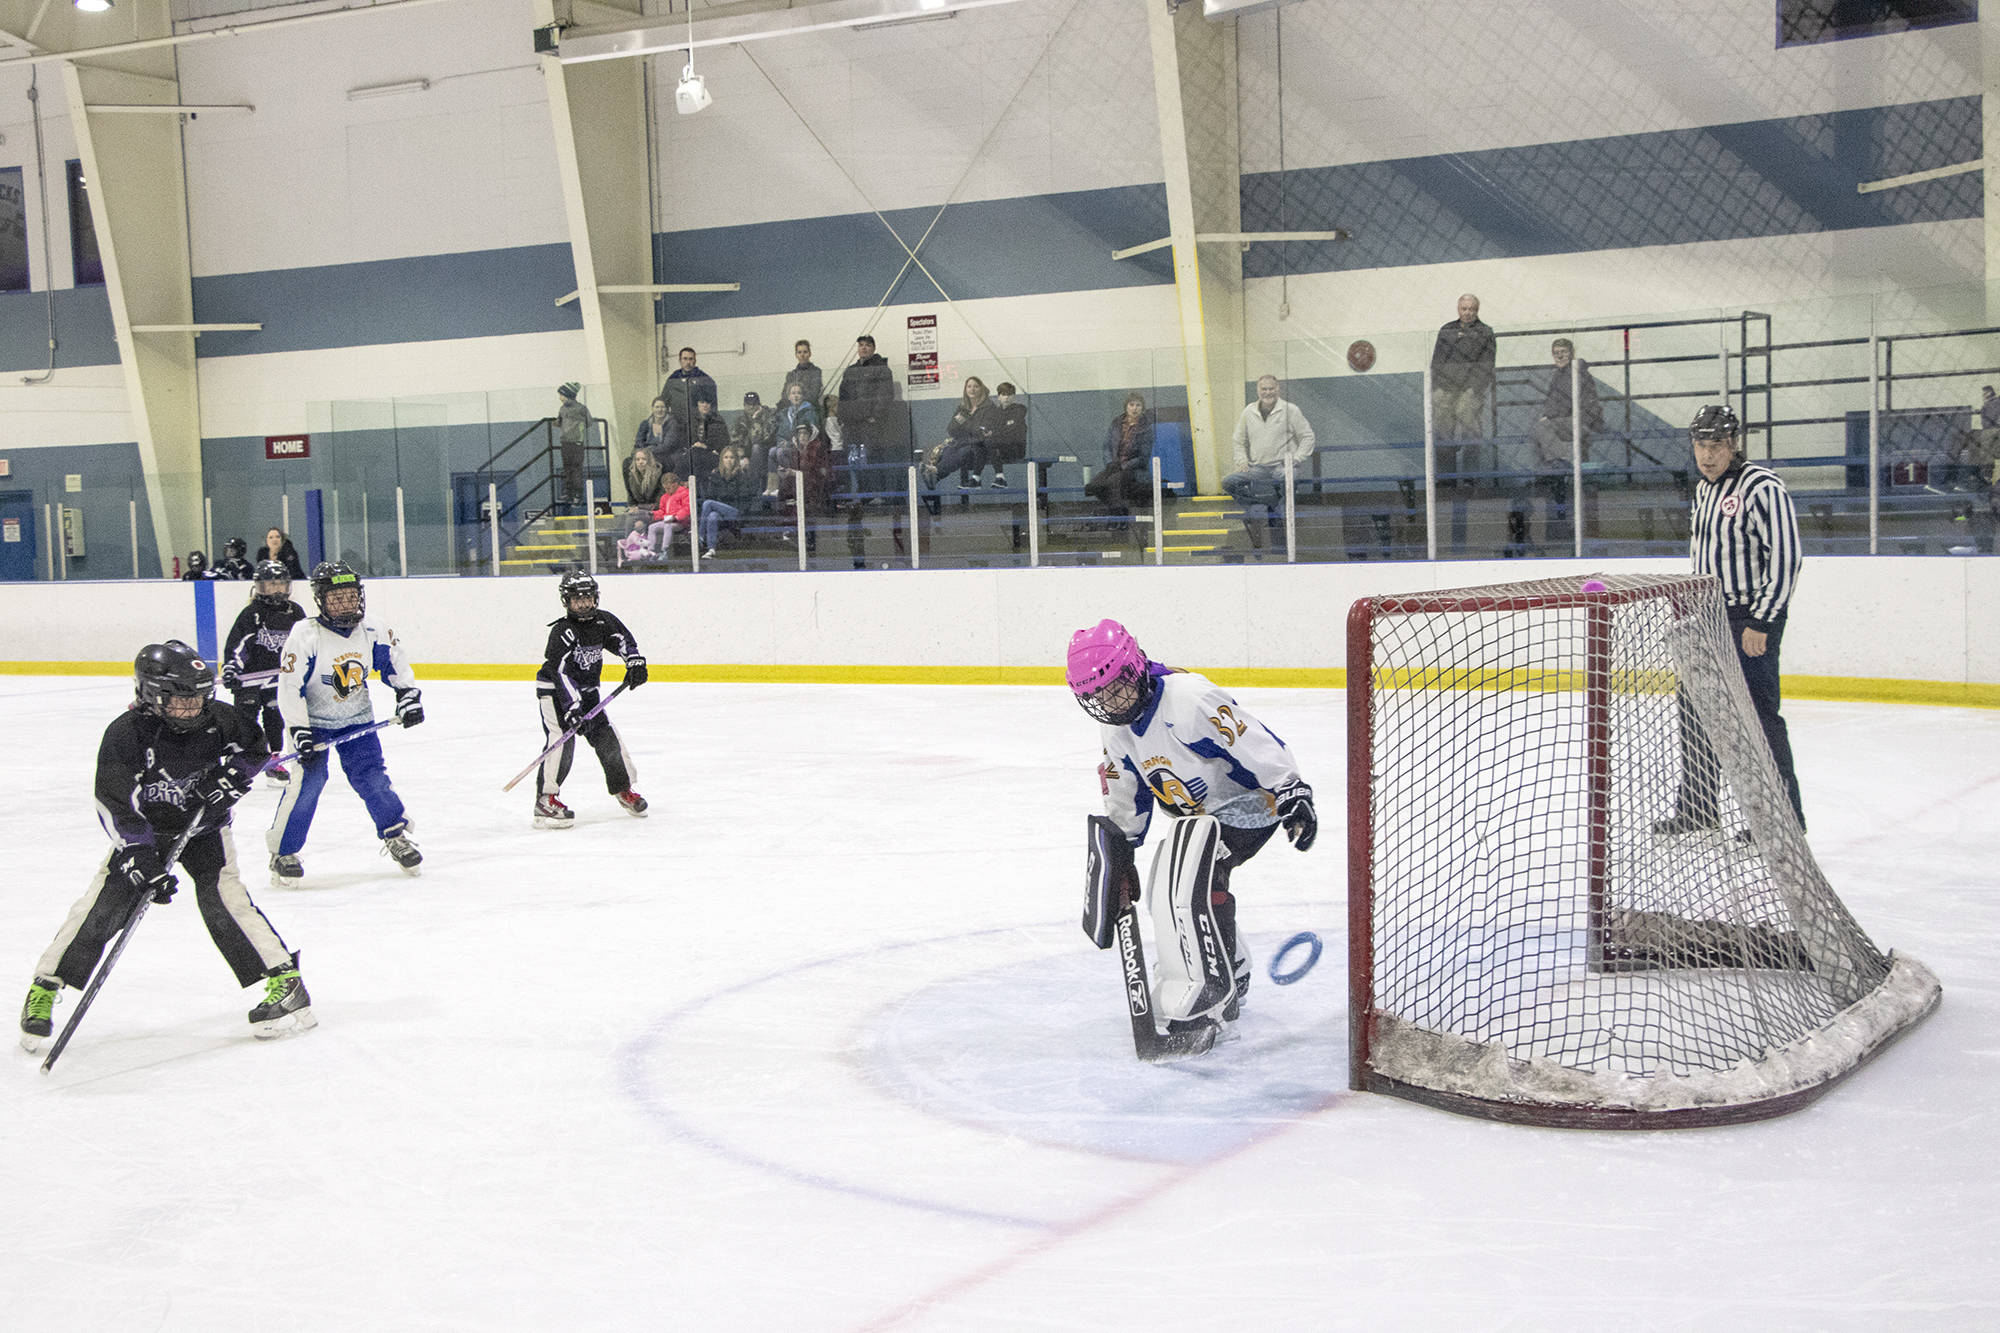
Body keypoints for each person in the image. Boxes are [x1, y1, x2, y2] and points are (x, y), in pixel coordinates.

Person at [18, 641, 314, 1053]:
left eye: (197, 697)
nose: (190, 707)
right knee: (104, 904)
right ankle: (46, 985)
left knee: (223, 899)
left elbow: (255, 749)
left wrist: (233, 780)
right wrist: (139, 856)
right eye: (179, 699)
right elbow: (114, 802)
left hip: (204, 829)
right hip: (147, 834)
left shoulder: (221, 718)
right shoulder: (126, 734)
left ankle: (285, 982)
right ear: (149, 694)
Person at [1067, 619, 1316, 1052]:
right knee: (1169, 878)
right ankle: (1229, 963)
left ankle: (1211, 989)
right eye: (1096, 696)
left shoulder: (1189, 700)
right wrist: (1121, 849)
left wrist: (1291, 790)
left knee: (1191, 878)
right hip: (1198, 820)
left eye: (1114, 687)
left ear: (1135, 667)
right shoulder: (1117, 727)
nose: (1109, 702)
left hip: (1250, 806)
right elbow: (1126, 789)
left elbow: (1254, 741)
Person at [1655, 405, 1806, 834]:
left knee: (1759, 718)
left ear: (1734, 444)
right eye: (1700, 444)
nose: (1707, 454)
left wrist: (1761, 620)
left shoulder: (1761, 486)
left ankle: (1783, 820)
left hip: (1748, 618)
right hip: (1706, 618)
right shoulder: (1704, 490)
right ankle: (1699, 809)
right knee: (1694, 711)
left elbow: (1786, 557)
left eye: (1716, 444)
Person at [267, 562, 425, 885]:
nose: (346, 604)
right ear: (321, 600)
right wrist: (299, 731)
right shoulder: (305, 635)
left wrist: (407, 697)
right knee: (308, 782)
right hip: (313, 724)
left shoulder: (373, 629)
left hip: (356, 719)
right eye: (336, 598)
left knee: (372, 778)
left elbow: (394, 665)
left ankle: (394, 833)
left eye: (351, 596)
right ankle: (283, 852)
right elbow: (289, 688)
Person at [532, 572, 649, 829]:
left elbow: (622, 640)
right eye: (577, 600)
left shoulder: (603, 621)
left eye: (587, 599)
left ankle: (623, 788)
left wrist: (634, 661)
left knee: (607, 737)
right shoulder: (563, 632)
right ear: (567, 601)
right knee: (562, 741)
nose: (583, 604)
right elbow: (560, 673)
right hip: (555, 693)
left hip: (587, 692)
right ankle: (546, 800)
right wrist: (572, 708)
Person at [222, 560, 308, 786]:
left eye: (280, 584)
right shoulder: (252, 614)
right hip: (249, 680)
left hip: (278, 681)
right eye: (271, 585)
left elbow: (305, 644)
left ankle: (273, 760)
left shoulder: (295, 612)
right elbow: (238, 644)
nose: (277, 589)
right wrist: (232, 667)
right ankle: (238, 760)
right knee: (244, 720)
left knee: (275, 718)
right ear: (260, 587)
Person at [1520, 338, 1605, 552]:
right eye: (1556, 352)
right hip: (1567, 422)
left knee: (1541, 429)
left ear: (1572, 352)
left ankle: (1562, 460)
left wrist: (1548, 417)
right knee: (1540, 432)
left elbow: (1567, 402)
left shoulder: (1574, 373)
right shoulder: (1559, 374)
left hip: (1581, 421)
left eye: (1563, 352)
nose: (1559, 356)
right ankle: (1559, 461)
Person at [1224, 375, 1317, 552]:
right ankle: (1262, 505)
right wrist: (1242, 460)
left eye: (1271, 388)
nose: (1267, 392)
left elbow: (1307, 436)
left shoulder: (1290, 410)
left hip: (1282, 467)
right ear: (1258, 391)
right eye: (1264, 389)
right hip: (1258, 468)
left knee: (1289, 478)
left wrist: (1296, 459)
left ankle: (1278, 512)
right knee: (1229, 482)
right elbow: (1238, 439)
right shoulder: (1248, 412)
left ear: (1278, 389)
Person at [1429, 293, 1496, 484]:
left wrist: (1475, 388)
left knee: (1471, 429)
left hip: (1470, 388)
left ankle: (1470, 477)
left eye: (1471, 309)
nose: (1467, 313)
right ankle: (1446, 478)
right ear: (1458, 309)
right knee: (1442, 431)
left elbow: (1487, 364)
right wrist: (1438, 387)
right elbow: (1437, 361)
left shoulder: (1485, 332)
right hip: (1446, 387)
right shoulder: (1447, 330)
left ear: (1477, 310)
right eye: (1464, 309)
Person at [922, 376, 1000, 489]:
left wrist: (965, 427)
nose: (972, 389)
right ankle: (936, 475)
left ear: (981, 389)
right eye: (969, 386)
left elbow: (982, 430)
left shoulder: (989, 407)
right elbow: (951, 429)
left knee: (964, 451)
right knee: (949, 449)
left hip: (981, 447)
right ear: (965, 389)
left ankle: (936, 474)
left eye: (975, 386)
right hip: (963, 442)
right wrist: (965, 420)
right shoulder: (963, 408)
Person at [1084, 393, 1156, 516]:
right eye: (1131, 405)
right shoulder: (1116, 424)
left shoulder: (1146, 429)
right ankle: (1120, 511)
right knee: (1093, 486)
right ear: (1126, 407)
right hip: (1114, 466)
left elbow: (1143, 457)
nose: (1134, 408)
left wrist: (1124, 466)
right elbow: (1106, 446)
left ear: (1142, 409)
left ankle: (1118, 517)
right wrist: (1110, 463)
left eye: (1138, 405)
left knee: (1114, 482)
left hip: (1133, 469)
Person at [836, 335, 894, 481]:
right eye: (861, 345)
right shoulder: (850, 371)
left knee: (871, 458)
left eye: (867, 345)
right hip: (851, 424)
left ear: (874, 348)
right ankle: (862, 498)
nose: (863, 348)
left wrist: (875, 416)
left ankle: (876, 496)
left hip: (870, 424)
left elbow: (885, 395)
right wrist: (842, 418)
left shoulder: (882, 369)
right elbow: (843, 396)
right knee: (852, 460)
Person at [700, 445, 762, 557]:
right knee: (712, 516)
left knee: (707, 503)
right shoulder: (716, 475)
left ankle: (699, 536)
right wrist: (714, 478)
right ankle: (711, 549)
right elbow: (711, 495)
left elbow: (745, 498)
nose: (729, 460)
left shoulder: (742, 475)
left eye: (732, 457)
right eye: (726, 457)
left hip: (736, 512)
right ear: (722, 460)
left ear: (736, 460)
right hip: (721, 514)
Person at [661, 346, 718, 447]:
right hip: (677, 427)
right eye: (685, 359)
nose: (688, 362)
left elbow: (713, 407)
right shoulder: (673, 379)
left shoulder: (705, 380)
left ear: (695, 361)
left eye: (691, 359)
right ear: (680, 360)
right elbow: (663, 403)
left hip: (698, 428)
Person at [666, 398, 727, 484]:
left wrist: (706, 446)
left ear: (711, 405)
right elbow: (683, 438)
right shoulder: (690, 419)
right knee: (683, 462)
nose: (705, 405)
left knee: (696, 461)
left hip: (711, 453)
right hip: (692, 451)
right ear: (698, 404)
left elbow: (723, 442)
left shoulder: (718, 420)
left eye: (707, 402)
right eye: (702, 402)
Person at [555, 383, 590, 513]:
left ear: (568, 395)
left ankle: (577, 494)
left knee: (575, 469)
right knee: (568, 469)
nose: (560, 398)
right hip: (567, 442)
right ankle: (569, 493)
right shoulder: (563, 408)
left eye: (562, 395)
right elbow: (559, 421)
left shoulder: (580, 408)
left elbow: (588, 422)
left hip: (576, 443)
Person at [733, 390, 778, 483]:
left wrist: (755, 419)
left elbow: (759, 439)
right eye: (748, 404)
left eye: (754, 404)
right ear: (744, 405)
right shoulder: (740, 419)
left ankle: (752, 483)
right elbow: (735, 441)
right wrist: (742, 457)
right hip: (746, 453)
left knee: (756, 447)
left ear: (759, 405)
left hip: (765, 451)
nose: (751, 406)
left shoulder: (769, 416)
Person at [989, 382, 1028, 488]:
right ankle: (999, 478)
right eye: (1003, 394)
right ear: (999, 397)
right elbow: (993, 430)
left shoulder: (1019, 409)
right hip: (1000, 450)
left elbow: (1011, 432)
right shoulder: (995, 412)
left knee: (991, 442)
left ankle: (1000, 478)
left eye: (1009, 394)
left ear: (1013, 396)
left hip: (1016, 450)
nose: (1006, 397)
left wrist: (996, 432)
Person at [646, 472, 691, 560]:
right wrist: (654, 514)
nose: (667, 489)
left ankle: (664, 550)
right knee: (652, 527)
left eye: (669, 486)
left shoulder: (685, 493)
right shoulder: (664, 497)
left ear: (675, 484)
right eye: (665, 487)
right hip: (667, 520)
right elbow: (662, 511)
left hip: (680, 522)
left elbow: (686, 508)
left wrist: (676, 517)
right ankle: (650, 551)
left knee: (668, 526)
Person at [782, 338, 823, 411]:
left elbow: (814, 395)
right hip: (791, 410)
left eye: (805, 352)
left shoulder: (816, 372)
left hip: (810, 409)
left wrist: (797, 397)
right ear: (796, 355)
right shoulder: (791, 375)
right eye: (799, 352)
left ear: (810, 354)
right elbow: (784, 395)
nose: (802, 355)